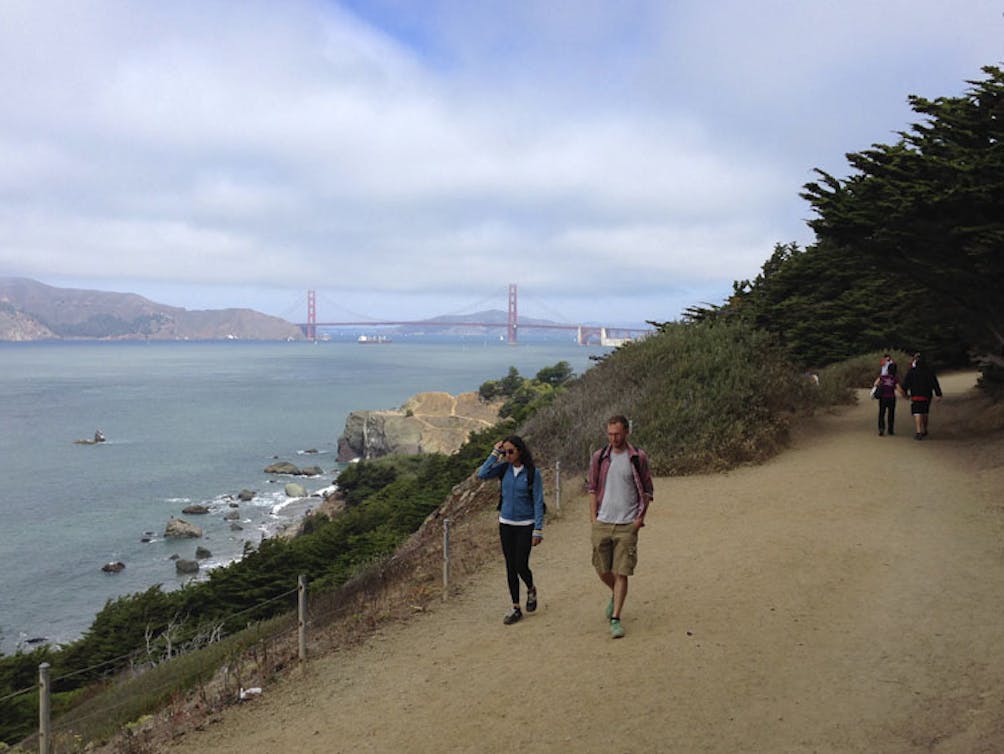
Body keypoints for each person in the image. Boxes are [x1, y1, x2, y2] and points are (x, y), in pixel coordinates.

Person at [587, 415, 654, 639]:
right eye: (610, 434)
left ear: (627, 432)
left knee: (622, 572)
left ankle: (616, 618)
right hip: (603, 521)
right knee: (602, 568)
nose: (613, 438)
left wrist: (639, 519)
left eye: (617, 434)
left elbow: (647, 490)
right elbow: (592, 488)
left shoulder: (637, 457)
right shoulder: (600, 457)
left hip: (627, 524)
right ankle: (615, 595)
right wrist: (593, 518)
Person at [477, 435, 545, 625]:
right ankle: (516, 608)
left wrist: (538, 529)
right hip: (506, 523)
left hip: (526, 524)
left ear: (520, 451)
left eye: (510, 451)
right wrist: (494, 454)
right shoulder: (503, 468)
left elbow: (538, 501)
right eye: (504, 451)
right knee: (510, 566)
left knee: (521, 564)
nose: (507, 455)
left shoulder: (532, 473)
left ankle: (531, 589)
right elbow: (482, 474)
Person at [901, 353, 943, 440]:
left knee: (917, 413)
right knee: (925, 412)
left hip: (915, 395)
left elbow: (905, 384)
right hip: (927, 395)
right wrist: (938, 394)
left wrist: (905, 393)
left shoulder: (911, 372)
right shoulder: (929, 372)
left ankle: (918, 431)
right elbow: (934, 383)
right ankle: (925, 429)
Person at [872, 361, 902, 436]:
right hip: (891, 397)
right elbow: (899, 389)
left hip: (883, 397)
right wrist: (905, 395)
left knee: (881, 413)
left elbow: (875, 383)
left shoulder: (882, 377)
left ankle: (881, 428)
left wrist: (880, 386)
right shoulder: (894, 379)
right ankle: (890, 429)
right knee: (891, 414)